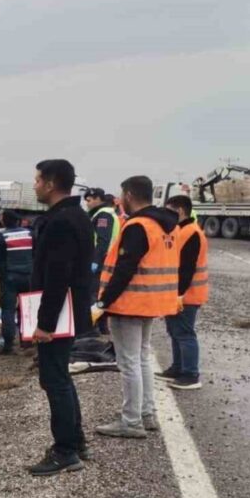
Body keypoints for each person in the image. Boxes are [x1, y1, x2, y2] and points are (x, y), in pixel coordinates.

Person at [95, 176, 179, 439]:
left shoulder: (137, 226)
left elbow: (125, 269)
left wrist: (103, 303)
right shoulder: (165, 225)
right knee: (141, 358)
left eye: (122, 195)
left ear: (129, 195)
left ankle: (131, 421)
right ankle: (146, 412)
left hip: (130, 303)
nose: (120, 199)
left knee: (129, 362)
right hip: (151, 302)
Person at [27, 159, 92, 476]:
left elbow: (57, 276)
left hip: (60, 313)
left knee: (54, 380)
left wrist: (45, 324)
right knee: (60, 377)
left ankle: (65, 450)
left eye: (38, 180)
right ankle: (76, 442)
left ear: (51, 183)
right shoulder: (76, 215)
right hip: (69, 310)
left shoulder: (61, 222)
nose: (35, 185)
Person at [157, 195, 207, 391]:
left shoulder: (191, 232)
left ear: (179, 211)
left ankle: (190, 374)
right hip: (177, 293)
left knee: (185, 334)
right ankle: (177, 368)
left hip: (187, 294)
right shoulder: (181, 230)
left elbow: (187, 268)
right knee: (175, 332)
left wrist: (178, 294)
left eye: (169, 210)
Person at [0, 210, 32, 355]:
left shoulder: (1, 238)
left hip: (9, 279)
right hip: (29, 278)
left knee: (8, 310)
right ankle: (26, 342)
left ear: (4, 220)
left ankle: (9, 345)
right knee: (27, 309)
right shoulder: (30, 234)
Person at [84, 188, 121, 335]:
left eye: (89, 200)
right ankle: (102, 326)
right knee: (101, 294)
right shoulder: (110, 213)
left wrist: (95, 261)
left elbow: (102, 240)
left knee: (93, 295)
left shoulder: (103, 215)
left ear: (98, 199)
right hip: (107, 259)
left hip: (100, 260)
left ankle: (91, 328)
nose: (87, 203)